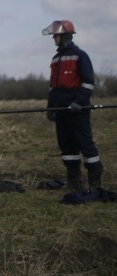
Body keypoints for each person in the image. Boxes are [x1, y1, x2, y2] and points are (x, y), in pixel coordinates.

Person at [43, 20, 103, 192]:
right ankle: (73, 181)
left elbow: (88, 83)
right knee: (67, 146)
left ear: (65, 36)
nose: (53, 38)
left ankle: (94, 183)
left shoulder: (80, 56)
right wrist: (50, 106)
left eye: (56, 35)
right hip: (60, 111)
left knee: (85, 143)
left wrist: (79, 103)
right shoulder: (55, 59)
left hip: (78, 111)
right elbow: (53, 87)